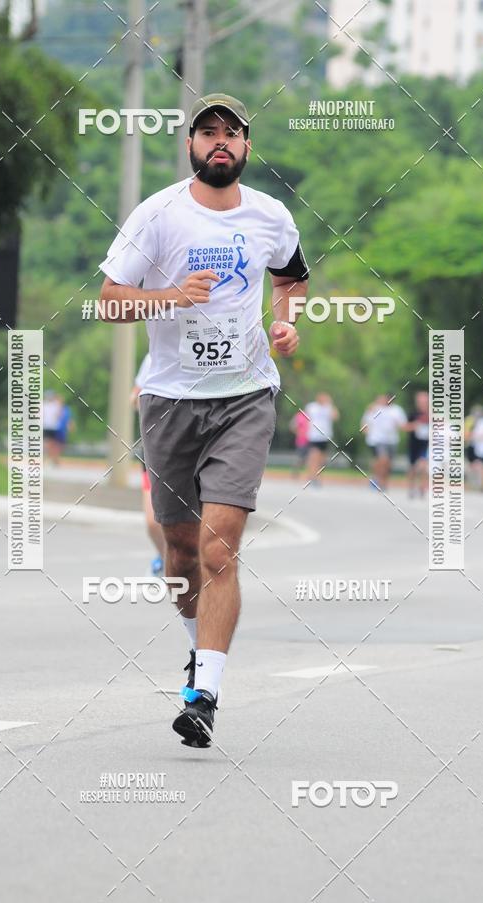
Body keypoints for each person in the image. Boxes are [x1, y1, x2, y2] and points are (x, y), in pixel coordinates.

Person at [98, 93, 310, 748]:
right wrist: (170, 295)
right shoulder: (158, 215)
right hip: (169, 400)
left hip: (246, 396)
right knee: (182, 553)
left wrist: (286, 321)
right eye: (208, 131)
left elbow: (291, 279)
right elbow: (108, 302)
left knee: (220, 547)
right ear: (190, 144)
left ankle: (205, 694)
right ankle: (198, 649)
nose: (221, 140)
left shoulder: (271, 215)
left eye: (232, 132)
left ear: (247, 146)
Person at [131, 352, 165, 576]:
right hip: (155, 447)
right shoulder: (155, 355)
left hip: (195, 444)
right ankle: (166, 560)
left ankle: (188, 566)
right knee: (153, 522)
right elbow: (134, 397)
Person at [361, 393, 407, 491]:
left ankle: (383, 481)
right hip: (377, 439)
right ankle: (378, 481)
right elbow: (365, 421)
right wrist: (366, 431)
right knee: (382, 460)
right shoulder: (374, 408)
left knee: (388, 463)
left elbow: (403, 424)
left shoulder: (397, 410)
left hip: (392, 440)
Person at [304, 393, 339, 485]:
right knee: (314, 457)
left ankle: (318, 477)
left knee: (322, 460)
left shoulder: (328, 407)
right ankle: (312, 476)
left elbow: (335, 417)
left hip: (325, 436)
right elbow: (305, 418)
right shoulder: (311, 406)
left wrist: (330, 404)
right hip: (314, 436)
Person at [405, 390, 429, 498]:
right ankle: (411, 487)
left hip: (425, 444)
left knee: (423, 466)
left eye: (425, 401)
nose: (423, 403)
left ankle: (422, 487)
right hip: (414, 444)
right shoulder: (412, 414)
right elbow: (405, 427)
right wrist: (415, 425)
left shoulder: (431, 414)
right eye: (421, 401)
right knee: (413, 468)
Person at [464, 404, 483, 489]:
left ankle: (479, 483)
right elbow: (466, 433)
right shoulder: (469, 420)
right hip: (471, 446)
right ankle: (472, 483)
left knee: (479, 465)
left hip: (480, 447)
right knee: (471, 466)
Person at [43, 391, 63, 464]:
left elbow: (59, 414)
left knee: (53, 444)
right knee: (48, 443)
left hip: (54, 427)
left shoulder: (55, 405)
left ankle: (52, 458)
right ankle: (50, 457)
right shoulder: (44, 404)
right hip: (47, 426)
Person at [289, 407, 309, 478]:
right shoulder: (299, 416)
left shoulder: (312, 415)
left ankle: (309, 474)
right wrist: (298, 433)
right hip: (302, 441)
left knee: (310, 458)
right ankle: (295, 472)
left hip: (311, 440)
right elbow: (292, 426)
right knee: (300, 458)